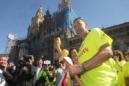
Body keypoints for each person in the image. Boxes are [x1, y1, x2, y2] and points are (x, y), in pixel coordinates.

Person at [69, 17, 118, 86]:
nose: (77, 28)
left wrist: (82, 67)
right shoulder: (80, 50)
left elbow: (107, 52)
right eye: (75, 27)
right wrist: (72, 71)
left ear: (86, 25)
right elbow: (82, 70)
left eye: (79, 24)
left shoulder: (94, 32)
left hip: (105, 83)